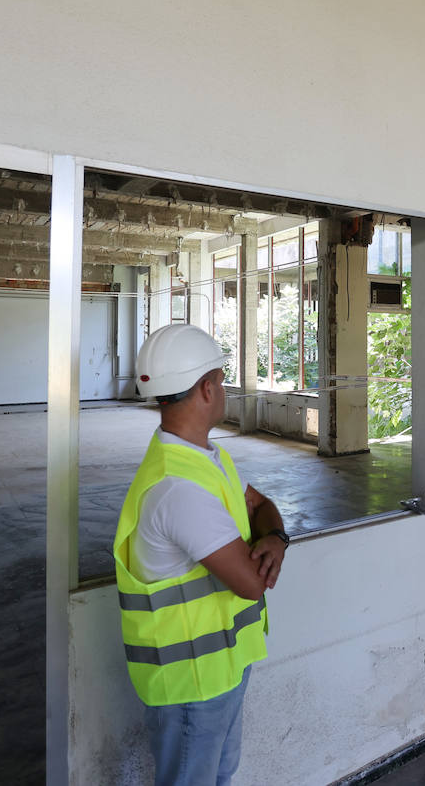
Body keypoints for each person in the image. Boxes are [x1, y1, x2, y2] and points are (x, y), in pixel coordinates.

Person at [113, 324, 290, 786]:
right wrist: (269, 538)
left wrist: (275, 537)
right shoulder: (180, 488)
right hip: (191, 685)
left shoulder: (206, 459)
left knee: (220, 776)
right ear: (208, 389)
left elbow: (259, 505)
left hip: (220, 671)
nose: (225, 387)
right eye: (222, 378)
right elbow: (251, 585)